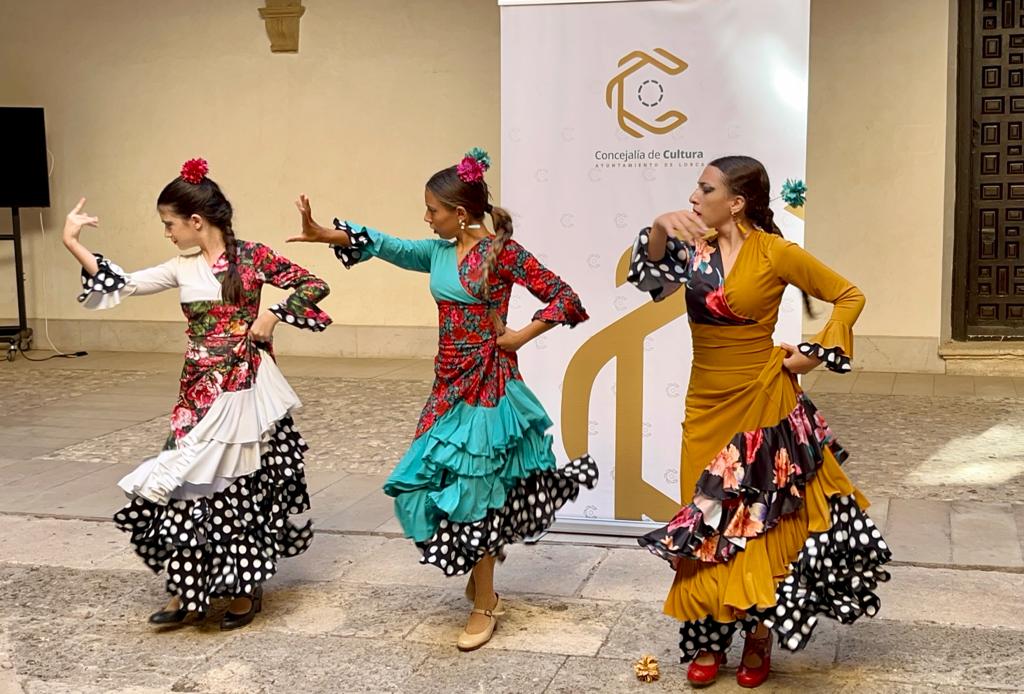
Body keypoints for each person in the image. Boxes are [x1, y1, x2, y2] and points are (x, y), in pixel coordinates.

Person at [288, 148, 598, 650]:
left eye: (432, 210)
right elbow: (385, 245)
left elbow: (565, 297)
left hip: (489, 385)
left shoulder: (502, 253)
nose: (426, 217)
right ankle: (484, 570)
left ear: (458, 213)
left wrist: (521, 336)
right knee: (420, 484)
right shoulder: (435, 253)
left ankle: (483, 602)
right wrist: (327, 234)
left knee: (475, 490)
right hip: (447, 383)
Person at [628, 155, 890, 688]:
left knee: (755, 523)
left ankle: (757, 634)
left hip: (762, 398)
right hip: (705, 402)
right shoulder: (691, 247)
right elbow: (650, 281)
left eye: (706, 188)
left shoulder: (776, 253)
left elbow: (849, 294)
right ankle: (707, 637)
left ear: (737, 202)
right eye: (697, 188)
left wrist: (814, 354)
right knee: (703, 524)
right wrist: (657, 227)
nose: (695, 196)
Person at [63, 158, 331, 630]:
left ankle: (246, 588)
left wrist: (272, 313)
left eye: (169, 223)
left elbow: (313, 284)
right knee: (185, 485)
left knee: (238, 487)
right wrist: (71, 242)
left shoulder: (253, 257)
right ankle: (188, 589)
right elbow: (124, 284)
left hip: (244, 387)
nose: (167, 232)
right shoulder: (180, 267)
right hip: (197, 388)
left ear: (195, 221)